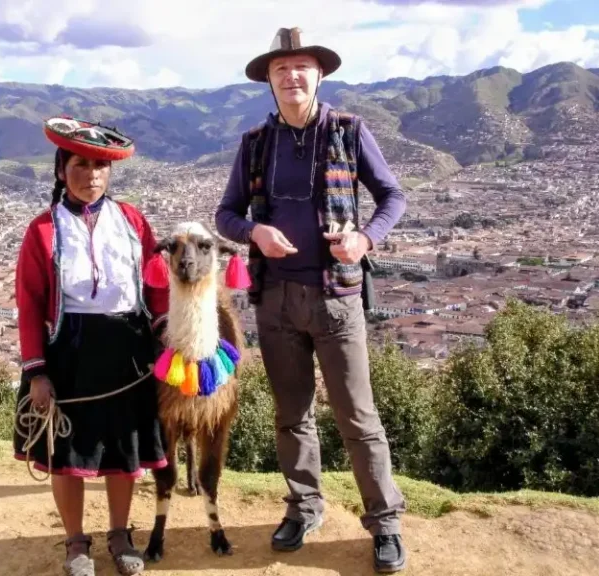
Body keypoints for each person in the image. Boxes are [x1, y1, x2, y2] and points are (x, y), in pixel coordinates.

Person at [215, 27, 408, 573]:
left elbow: (393, 194)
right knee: (291, 414)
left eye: (301, 67)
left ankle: (385, 521)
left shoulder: (349, 130)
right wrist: (256, 233)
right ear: (269, 81)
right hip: (274, 299)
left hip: (336, 296)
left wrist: (364, 238)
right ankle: (305, 505)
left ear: (318, 74)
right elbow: (225, 213)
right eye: (281, 69)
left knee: (357, 415)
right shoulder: (255, 143)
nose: (292, 76)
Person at [13, 117, 169, 576]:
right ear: (62, 170)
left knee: (125, 451)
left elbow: (156, 285)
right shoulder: (43, 230)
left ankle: (120, 535)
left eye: (100, 165)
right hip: (69, 353)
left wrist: (163, 334)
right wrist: (37, 371)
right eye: (81, 164)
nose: (92, 175)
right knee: (68, 454)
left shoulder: (133, 221)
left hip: (129, 350)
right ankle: (76, 543)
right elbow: (29, 302)